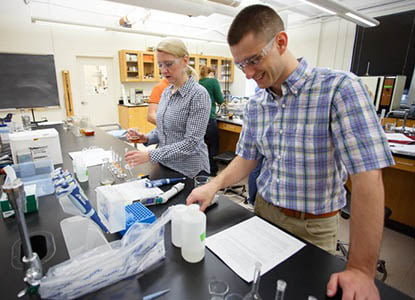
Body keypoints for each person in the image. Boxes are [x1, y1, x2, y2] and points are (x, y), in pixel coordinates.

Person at [187, 4, 394, 299]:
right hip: (263, 214)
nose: (248, 74)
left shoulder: (339, 89)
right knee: (255, 291)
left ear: (281, 42)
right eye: (241, 64)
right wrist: (214, 185)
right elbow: (247, 158)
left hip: (314, 226)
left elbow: (367, 178)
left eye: (254, 60)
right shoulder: (258, 103)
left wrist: (361, 269)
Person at [125, 38, 211, 178]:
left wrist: (151, 155)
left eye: (169, 64)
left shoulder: (198, 94)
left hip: (190, 171)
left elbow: (191, 143)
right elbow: (165, 129)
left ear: (185, 61)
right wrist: (146, 138)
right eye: (160, 65)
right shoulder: (166, 92)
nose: (164, 71)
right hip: (166, 164)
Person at [199, 65, 224, 176]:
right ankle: (212, 170)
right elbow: (220, 99)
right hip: (209, 118)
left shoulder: (198, 82)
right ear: (211, 73)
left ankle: (203, 168)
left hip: (198, 119)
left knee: (202, 144)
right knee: (213, 144)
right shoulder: (213, 81)